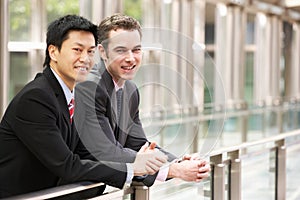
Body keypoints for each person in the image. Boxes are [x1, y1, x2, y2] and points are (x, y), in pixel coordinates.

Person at [0, 14, 168, 199]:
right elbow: (67, 165)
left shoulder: (69, 96)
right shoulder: (36, 98)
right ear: (53, 52)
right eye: (77, 50)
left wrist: (145, 162)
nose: (85, 59)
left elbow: (87, 154)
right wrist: (133, 167)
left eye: (90, 52)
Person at [75, 13, 210, 187]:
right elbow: (105, 151)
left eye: (136, 50)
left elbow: (137, 144)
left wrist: (178, 163)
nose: (131, 58)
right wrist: (173, 171)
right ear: (102, 52)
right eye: (121, 50)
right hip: (70, 191)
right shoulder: (88, 87)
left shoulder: (130, 89)